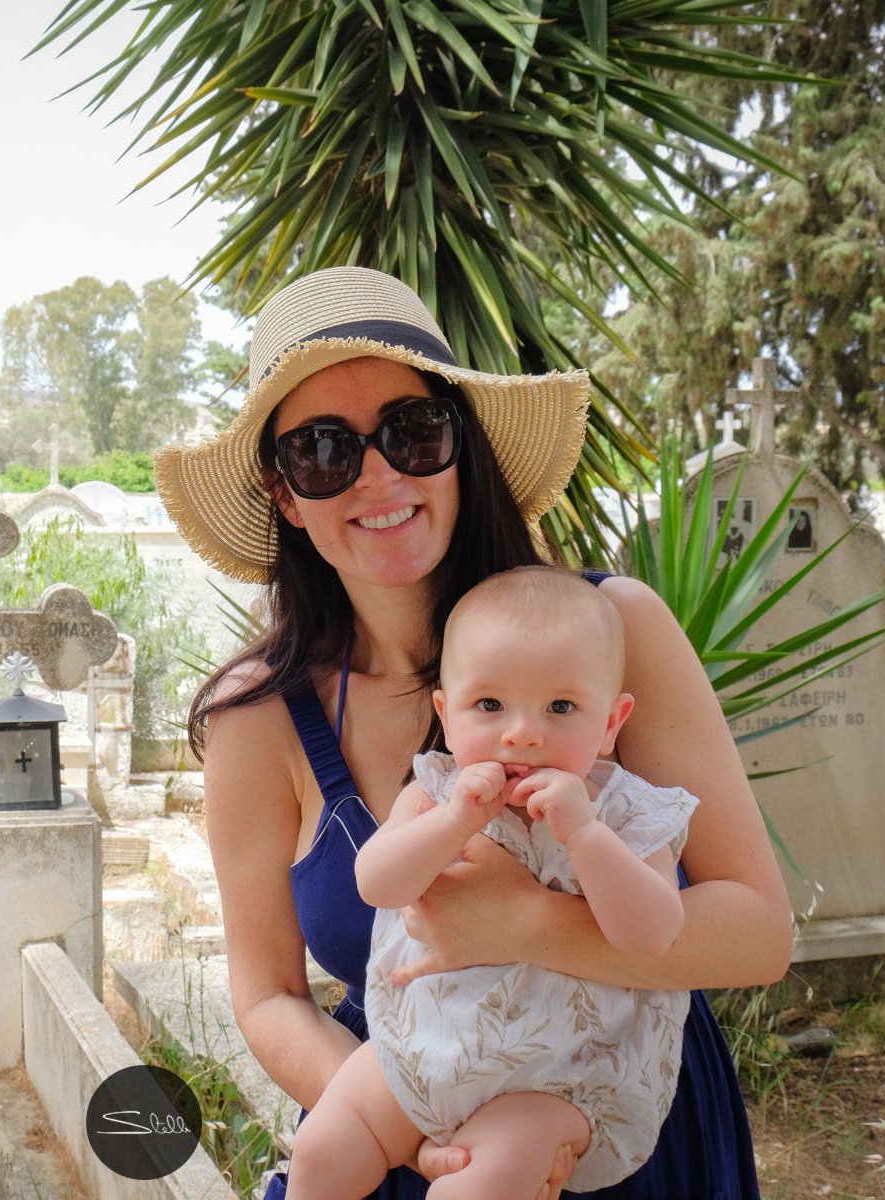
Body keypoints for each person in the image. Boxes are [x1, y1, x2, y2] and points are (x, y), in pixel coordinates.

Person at [156, 265, 790, 1199]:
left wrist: (527, 924)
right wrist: (416, 1138)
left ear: (461, 447)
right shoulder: (262, 717)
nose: (376, 474)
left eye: (412, 432)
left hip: (615, 1134)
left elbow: (758, 934)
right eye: (324, 449)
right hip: (402, 1135)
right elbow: (269, 996)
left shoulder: (615, 632)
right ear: (286, 492)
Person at [286, 566, 697, 1199]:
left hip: (561, 1076)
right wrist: (453, 822)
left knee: (479, 1188)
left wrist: (586, 836)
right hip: (423, 1046)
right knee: (323, 1148)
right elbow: (375, 881)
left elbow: (655, 935)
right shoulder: (435, 791)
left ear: (612, 722)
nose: (522, 732)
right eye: (489, 705)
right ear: (446, 714)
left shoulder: (630, 815)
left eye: (561, 707)